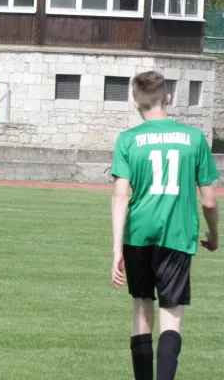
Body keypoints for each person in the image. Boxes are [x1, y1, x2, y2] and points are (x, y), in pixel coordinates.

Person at [110, 70, 220, 380]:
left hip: (138, 237)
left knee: (142, 315)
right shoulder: (194, 138)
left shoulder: (128, 140)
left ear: (136, 104)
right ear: (167, 98)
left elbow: (121, 197)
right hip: (178, 234)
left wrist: (117, 248)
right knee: (171, 320)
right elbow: (210, 202)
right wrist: (214, 233)